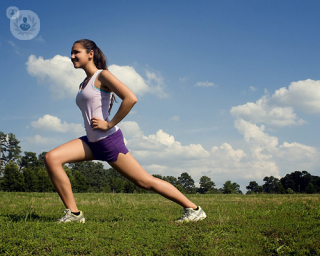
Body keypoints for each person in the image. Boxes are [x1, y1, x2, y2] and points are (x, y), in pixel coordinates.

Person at [44, 39, 206, 223]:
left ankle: (194, 209)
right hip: (91, 141)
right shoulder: (84, 82)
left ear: (90, 54)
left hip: (108, 141)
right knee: (52, 158)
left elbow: (130, 98)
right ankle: (73, 214)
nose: (72, 56)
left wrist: (109, 124)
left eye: (76, 52)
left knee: (144, 181)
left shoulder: (102, 75)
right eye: (71, 53)